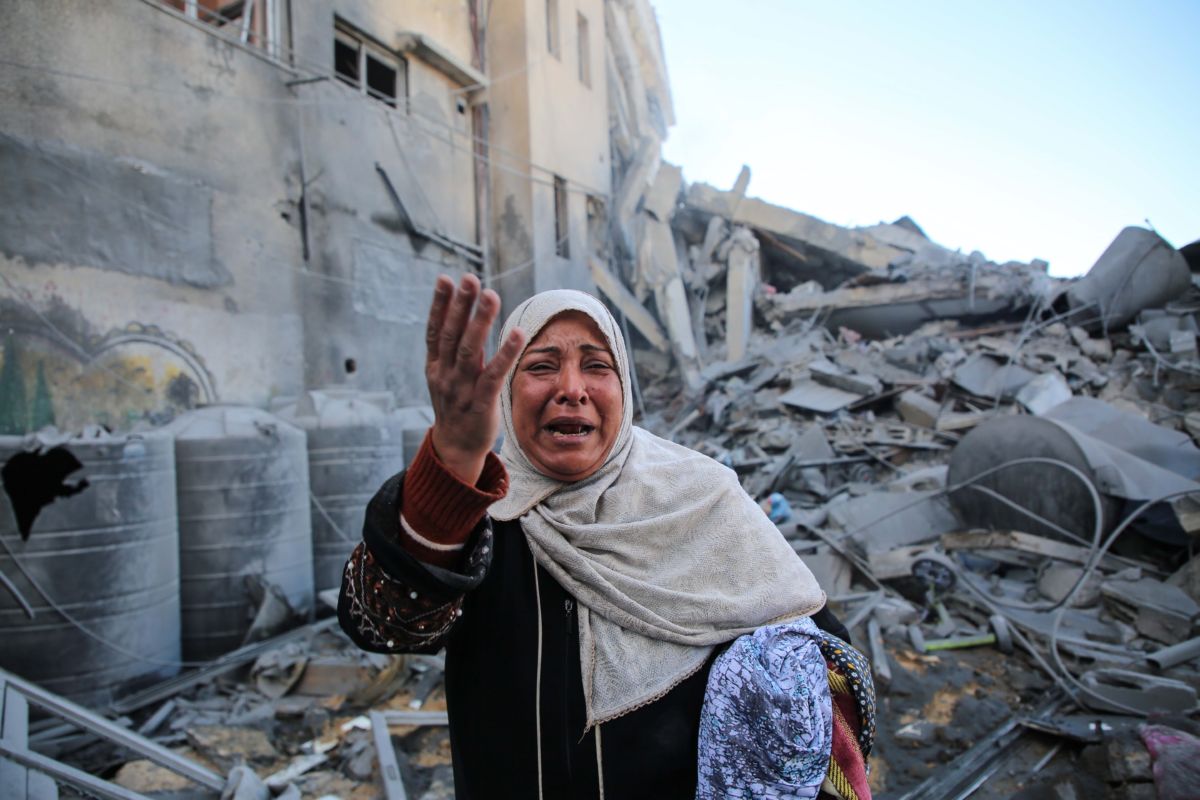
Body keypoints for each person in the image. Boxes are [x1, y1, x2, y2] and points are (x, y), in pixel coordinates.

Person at [338, 274, 874, 799]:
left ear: (625, 390)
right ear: (504, 392)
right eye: (542, 367)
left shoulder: (702, 501)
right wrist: (451, 466)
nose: (571, 390)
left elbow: (816, 670)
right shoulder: (480, 516)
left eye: (597, 366)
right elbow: (383, 624)